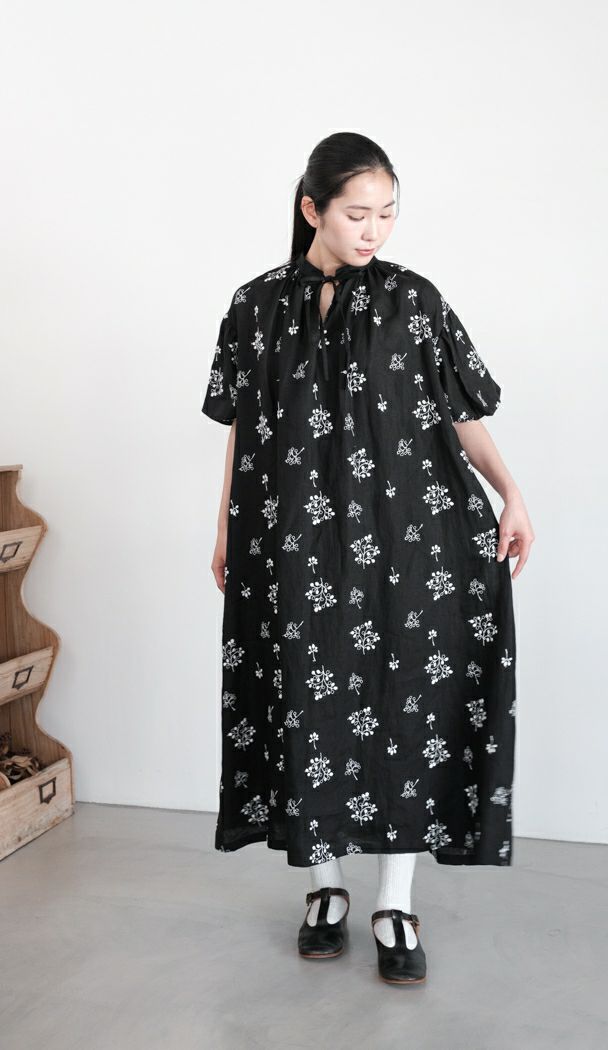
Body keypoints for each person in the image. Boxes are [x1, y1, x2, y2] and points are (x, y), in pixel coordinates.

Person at [202, 132, 535, 985]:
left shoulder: (413, 301)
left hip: (409, 543)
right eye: (357, 214)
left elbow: (460, 412)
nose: (373, 231)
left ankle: (394, 901)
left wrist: (511, 492)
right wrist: (226, 527)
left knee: (404, 705)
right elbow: (243, 426)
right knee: (300, 701)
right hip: (290, 539)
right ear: (311, 209)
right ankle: (324, 889)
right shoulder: (253, 306)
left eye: (387, 214)